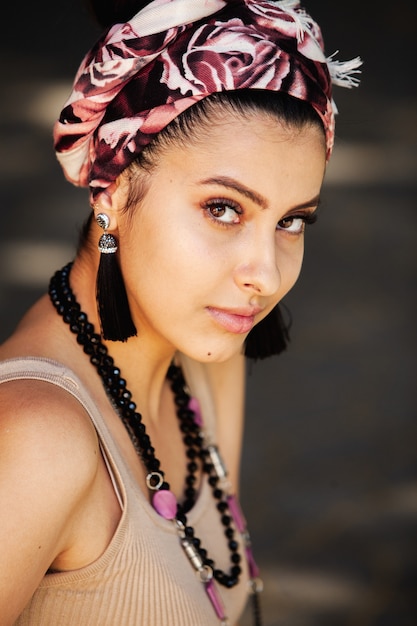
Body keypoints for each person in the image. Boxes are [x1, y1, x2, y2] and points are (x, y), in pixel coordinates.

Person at [0, 1, 361, 624]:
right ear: (113, 189)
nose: (266, 274)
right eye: (223, 208)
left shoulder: (204, 362)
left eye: (292, 222)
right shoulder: (40, 438)